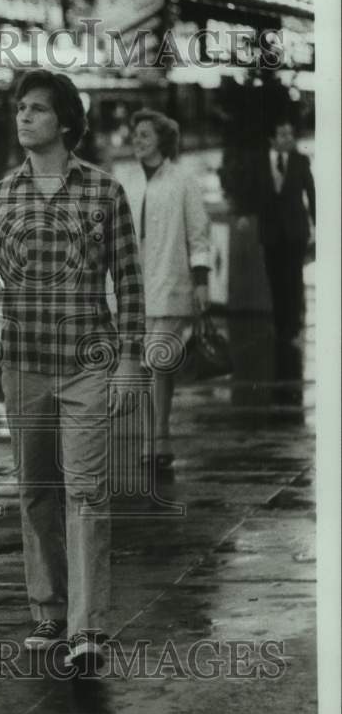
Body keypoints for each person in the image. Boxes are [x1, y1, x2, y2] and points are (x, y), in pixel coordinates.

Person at [0, 70, 145, 672]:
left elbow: (130, 283)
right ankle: (49, 610)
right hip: (24, 367)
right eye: (19, 109)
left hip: (89, 365)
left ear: (65, 121)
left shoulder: (103, 192)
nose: (23, 118)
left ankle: (88, 626)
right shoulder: (0, 197)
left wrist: (129, 362)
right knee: (37, 491)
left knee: (86, 492)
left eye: (36, 110)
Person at [128, 110, 212, 470]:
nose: (137, 140)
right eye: (135, 134)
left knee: (159, 362)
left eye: (145, 134)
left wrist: (202, 281)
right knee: (144, 366)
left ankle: (158, 437)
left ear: (162, 140)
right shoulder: (128, 181)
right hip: (135, 286)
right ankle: (153, 436)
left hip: (172, 282)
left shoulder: (182, 181)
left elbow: (198, 233)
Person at [240, 120, 316, 343]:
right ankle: (280, 327)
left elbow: (311, 193)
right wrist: (244, 214)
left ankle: (294, 328)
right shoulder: (259, 162)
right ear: (272, 139)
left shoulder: (301, 161)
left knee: (294, 278)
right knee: (275, 280)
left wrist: (318, 223)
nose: (288, 138)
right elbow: (250, 190)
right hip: (271, 232)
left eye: (290, 134)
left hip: (296, 231)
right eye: (282, 134)